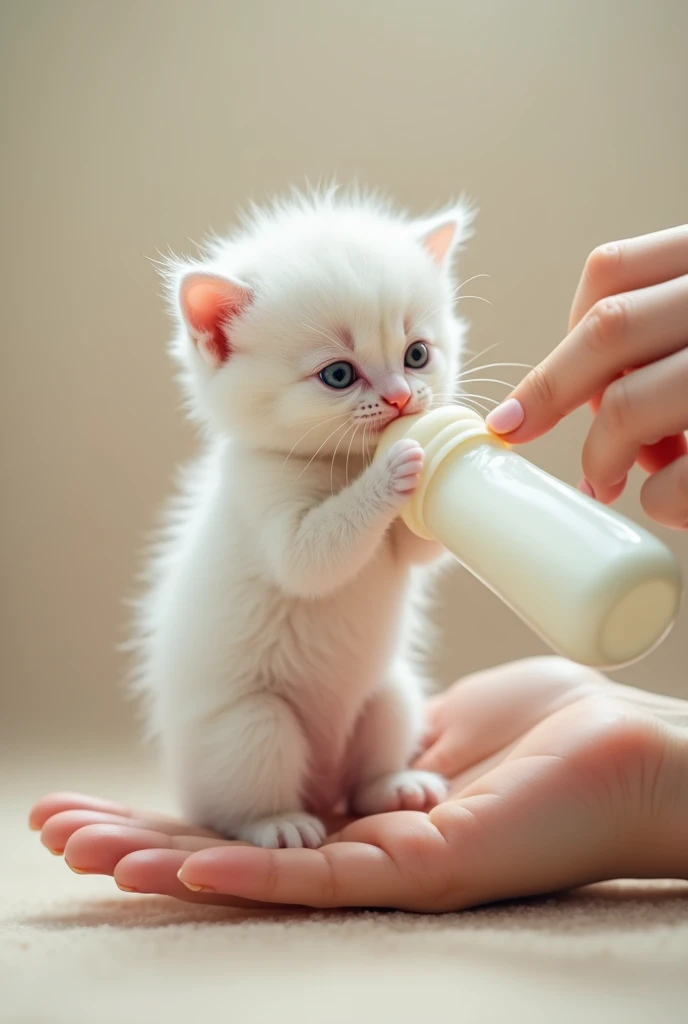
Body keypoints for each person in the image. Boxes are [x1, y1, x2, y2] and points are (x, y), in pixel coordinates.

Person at [30, 224, 688, 912]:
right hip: (258, 713)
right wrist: (380, 495)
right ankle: (257, 816)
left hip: (356, 707)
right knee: (261, 736)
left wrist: (457, 502)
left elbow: (416, 550)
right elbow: (306, 564)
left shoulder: (392, 435)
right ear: (220, 342)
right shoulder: (262, 471)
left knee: (392, 699)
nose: (400, 394)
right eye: (338, 375)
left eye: (416, 353)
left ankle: (374, 778)